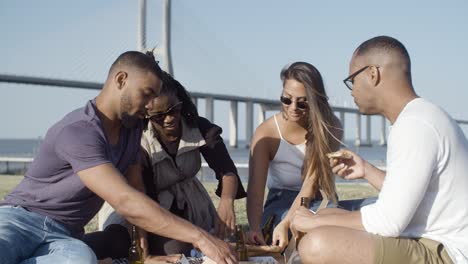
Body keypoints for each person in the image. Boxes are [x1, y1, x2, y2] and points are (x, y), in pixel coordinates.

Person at [0, 51, 237, 264]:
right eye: (146, 95)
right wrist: (201, 238)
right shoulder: (80, 130)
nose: (150, 106)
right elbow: (125, 201)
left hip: (65, 236)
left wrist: (145, 256)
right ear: (121, 80)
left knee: (83, 260)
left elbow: (136, 192)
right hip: (21, 220)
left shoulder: (131, 131)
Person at [290, 36, 468, 264]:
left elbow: (389, 221)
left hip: (445, 253)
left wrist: (314, 223)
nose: (352, 91)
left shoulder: (414, 125)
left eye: (352, 80)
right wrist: (365, 170)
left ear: (373, 74)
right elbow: (410, 195)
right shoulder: (421, 116)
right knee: (325, 214)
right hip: (434, 241)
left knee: (317, 244)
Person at [90, 70, 246, 261]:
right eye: (159, 116)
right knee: (119, 241)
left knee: (187, 248)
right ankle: (67, 247)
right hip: (143, 205)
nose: (169, 118)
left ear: (181, 102)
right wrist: (144, 256)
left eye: (174, 110)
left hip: (189, 201)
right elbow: (140, 197)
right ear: (146, 115)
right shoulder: (140, 142)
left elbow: (227, 170)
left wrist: (227, 201)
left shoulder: (199, 127)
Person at [245, 62, 343, 249]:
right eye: (287, 99)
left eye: (303, 101)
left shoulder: (330, 127)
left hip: (319, 200)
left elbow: (310, 185)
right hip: (280, 202)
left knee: (333, 229)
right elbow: (256, 192)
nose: (293, 107)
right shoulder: (266, 133)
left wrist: (287, 222)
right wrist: (256, 228)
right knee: (306, 233)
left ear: (315, 100)